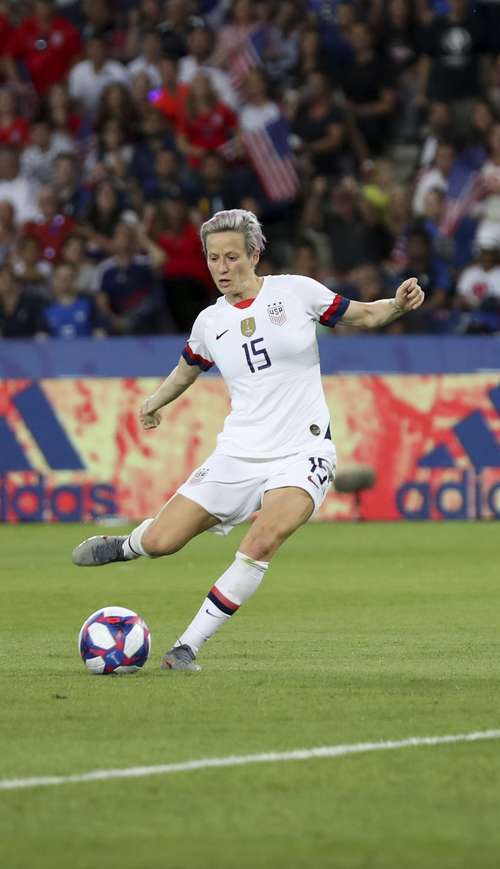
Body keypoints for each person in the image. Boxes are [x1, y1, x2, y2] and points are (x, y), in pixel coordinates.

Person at [70, 209, 426, 671]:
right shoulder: (209, 322)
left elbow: (363, 314)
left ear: (255, 254)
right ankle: (128, 545)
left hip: (304, 451)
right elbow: (187, 369)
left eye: (232, 257)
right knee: (162, 542)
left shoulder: (296, 292)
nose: (221, 267)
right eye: (213, 258)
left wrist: (396, 304)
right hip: (237, 453)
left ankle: (187, 647)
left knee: (262, 540)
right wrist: (155, 402)